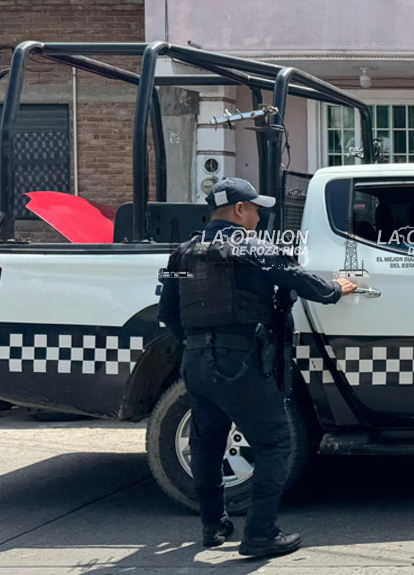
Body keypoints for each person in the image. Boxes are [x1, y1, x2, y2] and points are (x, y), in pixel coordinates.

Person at [158, 178, 357, 558]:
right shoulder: (255, 247)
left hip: (196, 363)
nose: (258, 215)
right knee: (276, 443)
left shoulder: (181, 253)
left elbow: (168, 313)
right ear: (238, 210)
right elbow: (300, 281)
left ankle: (212, 525)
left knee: (207, 444)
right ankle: (261, 534)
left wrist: (201, 343)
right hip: (240, 363)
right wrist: (337, 288)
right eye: (254, 208)